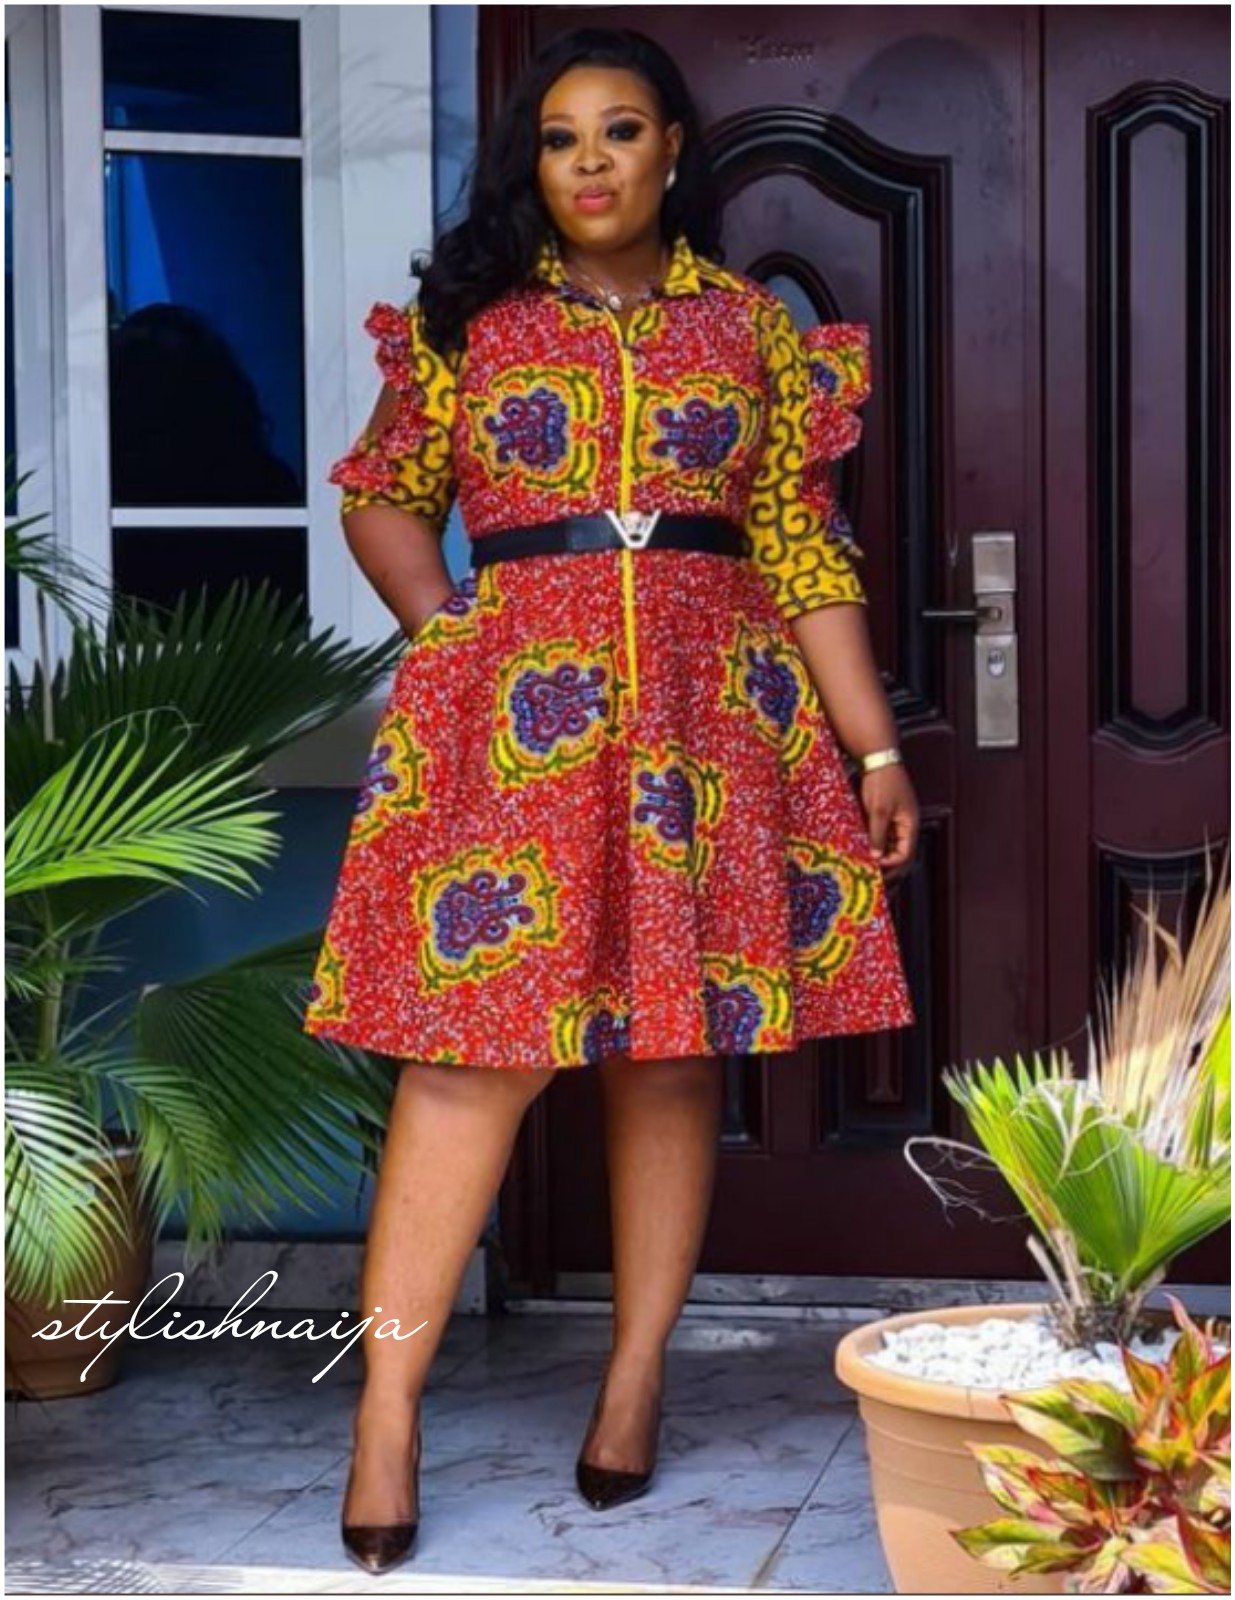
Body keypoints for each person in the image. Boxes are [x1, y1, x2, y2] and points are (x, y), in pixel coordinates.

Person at [303, 24, 919, 1575]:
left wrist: (875, 750)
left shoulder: (753, 331)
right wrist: (453, 634)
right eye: (561, 136)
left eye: (620, 130)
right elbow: (382, 499)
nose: (590, 160)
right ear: (536, 163)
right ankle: (386, 1415)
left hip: (709, 729)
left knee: (668, 1062)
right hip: (520, 733)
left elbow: (804, 553)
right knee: (469, 1065)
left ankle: (633, 1381)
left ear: (670, 149)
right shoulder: (471, 322)